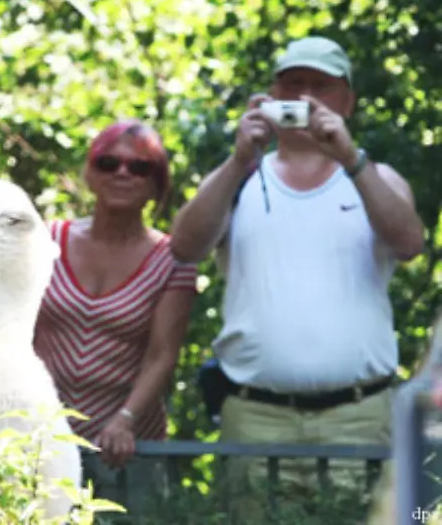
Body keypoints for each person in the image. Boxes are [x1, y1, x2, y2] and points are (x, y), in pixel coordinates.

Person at [170, 36, 425, 519]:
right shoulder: (239, 179)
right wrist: (240, 158)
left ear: (346, 101)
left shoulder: (378, 178)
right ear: (271, 97)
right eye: (294, 86)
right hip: (256, 417)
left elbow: (410, 243)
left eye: (321, 87)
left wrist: (351, 158)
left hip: (359, 418)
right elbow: (184, 247)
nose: (307, 99)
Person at [33, 120, 197, 515]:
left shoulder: (173, 260)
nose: (122, 173)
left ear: (157, 183)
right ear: (90, 173)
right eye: (108, 163)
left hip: (127, 448)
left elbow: (163, 355)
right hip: (40, 436)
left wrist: (125, 420)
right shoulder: (45, 240)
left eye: (139, 167)